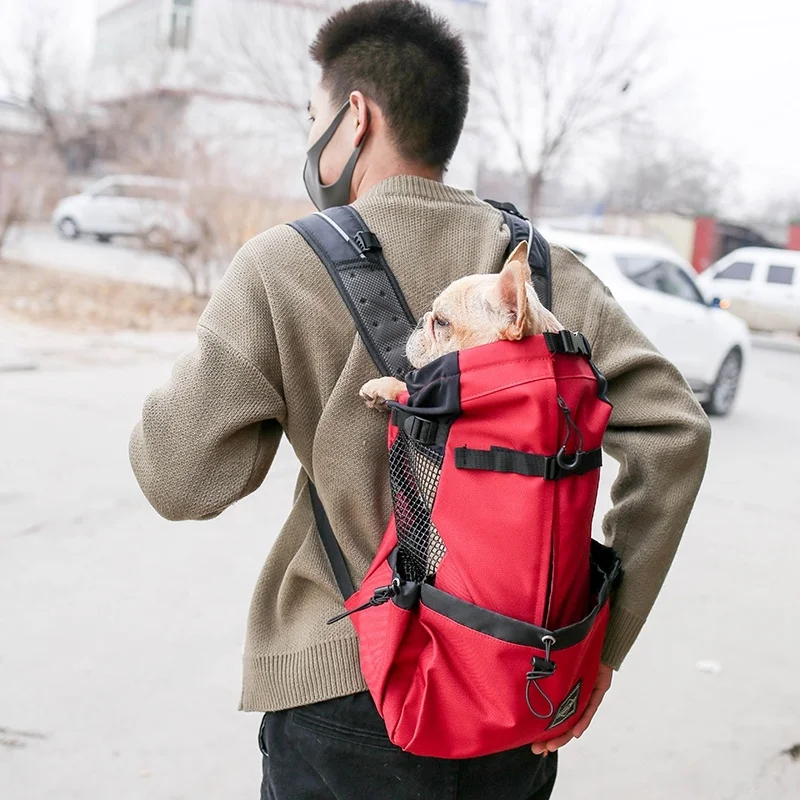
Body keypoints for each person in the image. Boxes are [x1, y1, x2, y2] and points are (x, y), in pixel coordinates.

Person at [129, 1, 712, 797]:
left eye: (313, 116)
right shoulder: (537, 272)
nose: (310, 140)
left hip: (341, 690)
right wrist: (600, 646)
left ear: (354, 118)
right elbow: (674, 431)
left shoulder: (278, 266)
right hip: (515, 686)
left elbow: (180, 480)